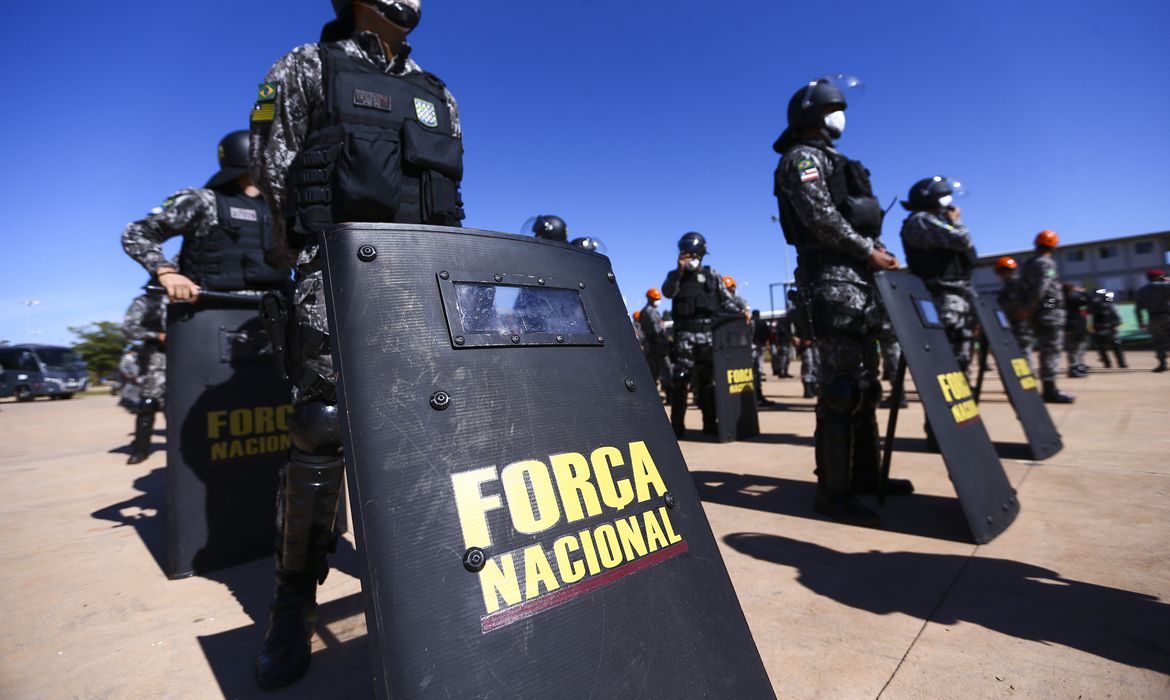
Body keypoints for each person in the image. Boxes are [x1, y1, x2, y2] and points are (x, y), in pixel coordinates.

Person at [248, 0, 465, 688]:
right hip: (335, 270)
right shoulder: (305, 65)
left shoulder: (439, 94)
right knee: (322, 426)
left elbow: (447, 193)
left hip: (420, 278)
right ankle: (293, 601)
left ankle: (434, 587)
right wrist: (300, 263)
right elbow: (272, 168)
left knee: (435, 426)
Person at [772, 75, 912, 526]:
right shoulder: (802, 158)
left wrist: (875, 254)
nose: (841, 116)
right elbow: (821, 218)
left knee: (866, 385)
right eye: (835, 108)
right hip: (831, 278)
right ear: (815, 115)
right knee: (840, 389)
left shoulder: (836, 160)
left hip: (859, 279)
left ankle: (865, 475)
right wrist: (867, 251)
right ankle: (833, 492)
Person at [122, 130, 290, 303]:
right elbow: (136, 232)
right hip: (210, 310)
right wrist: (166, 272)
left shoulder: (282, 208)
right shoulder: (203, 200)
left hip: (276, 312)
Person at [662, 231, 741, 438]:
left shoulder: (712, 275)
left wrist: (743, 313)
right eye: (685, 255)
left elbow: (728, 303)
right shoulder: (674, 276)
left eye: (692, 255)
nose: (689, 259)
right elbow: (668, 292)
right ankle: (676, 426)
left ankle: (710, 423)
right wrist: (679, 272)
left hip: (707, 336)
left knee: (707, 381)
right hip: (684, 337)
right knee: (680, 380)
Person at [900, 176, 977, 373]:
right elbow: (963, 240)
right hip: (942, 296)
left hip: (957, 295)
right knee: (946, 355)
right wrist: (956, 222)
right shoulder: (921, 221)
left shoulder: (935, 220)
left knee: (961, 356)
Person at [1019, 230, 1075, 403]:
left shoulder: (1029, 263)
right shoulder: (1047, 264)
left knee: (1045, 349)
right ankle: (1050, 390)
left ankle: (1047, 387)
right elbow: (1043, 286)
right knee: (1051, 349)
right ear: (1053, 246)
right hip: (1049, 310)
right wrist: (1032, 307)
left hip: (1037, 311)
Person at [121, 291, 166, 465]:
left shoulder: (192, 295)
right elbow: (128, 329)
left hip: (188, 356)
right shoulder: (147, 301)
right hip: (157, 360)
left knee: (180, 405)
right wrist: (156, 335)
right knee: (148, 405)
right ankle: (141, 450)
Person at [994, 256, 1034, 359]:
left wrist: (1026, 313)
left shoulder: (1020, 284)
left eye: (1005, 271)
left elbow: (1033, 299)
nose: (1002, 274)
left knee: (1023, 351)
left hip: (1021, 323)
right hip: (1010, 324)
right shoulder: (1005, 288)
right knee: (1015, 353)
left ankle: (1029, 373)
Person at [1135, 269, 1170, 372]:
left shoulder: (1142, 290)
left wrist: (1141, 322)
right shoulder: (1166, 286)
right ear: (1160, 277)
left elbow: (1138, 309)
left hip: (1153, 318)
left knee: (1159, 341)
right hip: (1167, 315)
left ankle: (1162, 363)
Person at [639, 288, 670, 395]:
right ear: (649, 299)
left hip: (652, 347)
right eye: (655, 299)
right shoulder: (649, 312)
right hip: (655, 347)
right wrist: (664, 344)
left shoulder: (647, 311)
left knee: (654, 373)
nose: (657, 301)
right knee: (663, 371)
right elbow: (657, 331)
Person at [1089, 289, 1126, 368]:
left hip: (1110, 328)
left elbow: (1117, 317)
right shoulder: (1094, 307)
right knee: (1101, 347)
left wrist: (1116, 325)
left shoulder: (1111, 306)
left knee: (1116, 345)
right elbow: (1090, 318)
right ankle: (1107, 363)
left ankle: (1121, 362)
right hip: (1099, 328)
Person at [1063, 283, 1091, 378]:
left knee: (1074, 348)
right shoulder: (1072, 299)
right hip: (1076, 326)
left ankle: (1076, 366)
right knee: (1077, 348)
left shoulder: (1061, 299)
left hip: (1069, 326)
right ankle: (1075, 367)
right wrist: (1083, 292)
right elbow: (1088, 300)